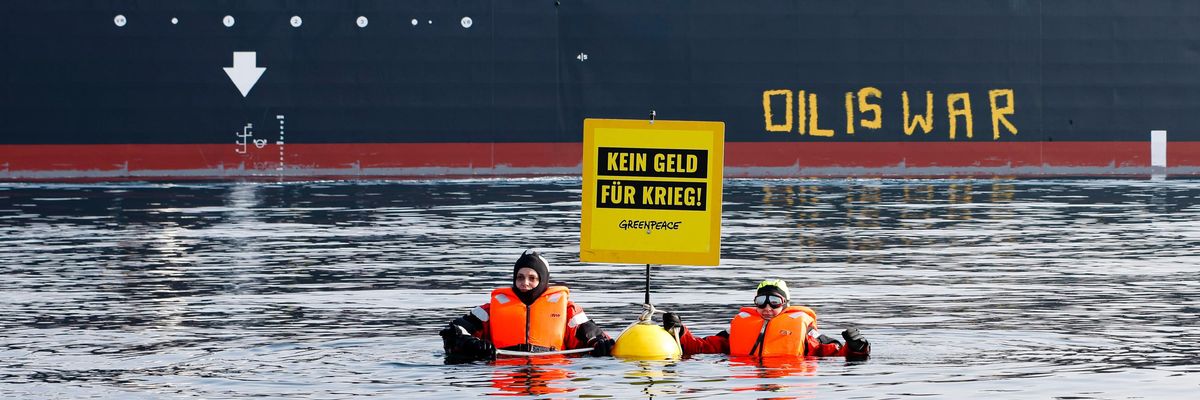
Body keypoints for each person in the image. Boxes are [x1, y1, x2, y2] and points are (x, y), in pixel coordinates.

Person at [439, 250, 616, 361]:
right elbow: (454, 331)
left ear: (543, 281)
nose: (525, 283)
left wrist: (600, 344)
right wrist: (471, 343)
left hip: (550, 375)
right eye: (520, 277)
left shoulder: (569, 311)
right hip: (505, 374)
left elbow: (596, 336)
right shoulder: (490, 310)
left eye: (532, 278)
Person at [663, 279, 870, 360]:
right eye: (761, 301)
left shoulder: (803, 330)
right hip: (750, 383)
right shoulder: (739, 327)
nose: (767, 308)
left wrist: (856, 347)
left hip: (787, 374)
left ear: (786, 304)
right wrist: (679, 331)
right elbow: (702, 347)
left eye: (774, 302)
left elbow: (831, 350)